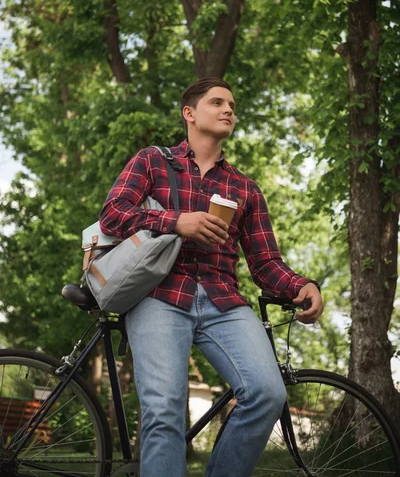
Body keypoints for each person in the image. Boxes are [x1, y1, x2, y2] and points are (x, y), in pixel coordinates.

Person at [99, 78, 324, 477]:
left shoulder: (244, 187)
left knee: (267, 394)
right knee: (164, 410)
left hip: (223, 302)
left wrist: (301, 285)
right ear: (189, 113)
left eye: (232, 106)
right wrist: (176, 222)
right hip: (159, 295)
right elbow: (113, 214)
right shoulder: (153, 161)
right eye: (217, 102)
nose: (228, 111)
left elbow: (265, 262)